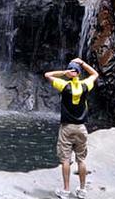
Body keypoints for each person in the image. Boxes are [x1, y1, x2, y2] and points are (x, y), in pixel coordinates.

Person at [44, 57, 99, 198]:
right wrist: (83, 63)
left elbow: (47, 75)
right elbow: (95, 75)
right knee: (81, 160)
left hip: (67, 128)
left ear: (69, 72)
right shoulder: (85, 85)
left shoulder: (64, 86)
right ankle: (81, 190)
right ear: (80, 73)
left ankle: (66, 190)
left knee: (65, 160)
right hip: (81, 128)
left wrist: (65, 72)